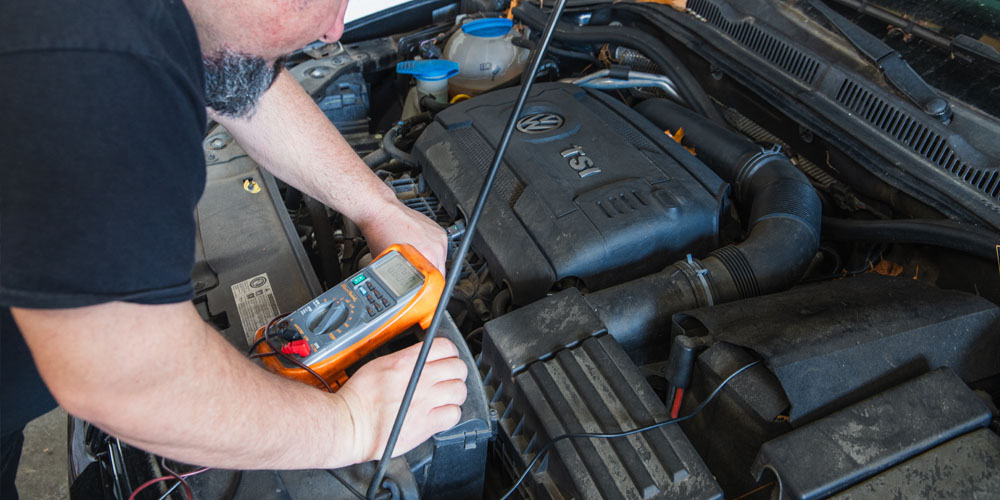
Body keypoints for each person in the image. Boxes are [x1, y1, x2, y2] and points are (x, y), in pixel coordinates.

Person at [0, 0, 468, 497]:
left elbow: (245, 77)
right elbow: (129, 379)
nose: (334, 32)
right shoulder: (94, 67)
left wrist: (380, 207)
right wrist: (353, 424)